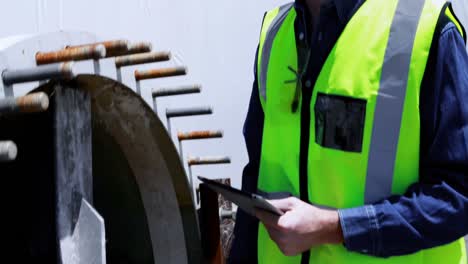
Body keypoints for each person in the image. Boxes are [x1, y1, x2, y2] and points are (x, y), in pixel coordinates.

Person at [229, 0, 468, 263]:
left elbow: (459, 196)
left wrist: (338, 228)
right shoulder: (276, 32)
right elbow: (257, 179)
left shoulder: (424, 28)